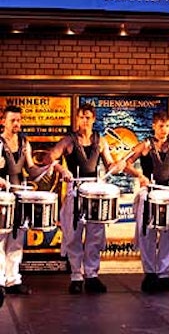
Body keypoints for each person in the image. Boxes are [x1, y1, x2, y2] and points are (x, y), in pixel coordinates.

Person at [46, 103, 125, 295]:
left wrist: (118, 164)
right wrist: (61, 169)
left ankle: (91, 275)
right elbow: (50, 156)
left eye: (88, 117)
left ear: (94, 119)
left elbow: (109, 165)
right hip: (76, 189)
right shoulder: (69, 140)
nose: (84, 121)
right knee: (73, 235)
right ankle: (76, 276)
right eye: (81, 117)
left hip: (94, 191)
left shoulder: (101, 141)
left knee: (95, 236)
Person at [124, 110, 169, 293]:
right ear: (154, 126)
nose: (164, 130)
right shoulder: (145, 145)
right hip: (149, 193)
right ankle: (150, 272)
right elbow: (126, 163)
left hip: (168, 193)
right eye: (161, 126)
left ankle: (163, 272)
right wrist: (139, 175)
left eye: (167, 126)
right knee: (147, 233)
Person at [0, 105, 43, 306]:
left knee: (16, 239)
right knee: (0, 239)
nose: (16, 124)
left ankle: (13, 280)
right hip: (2, 195)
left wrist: (46, 169)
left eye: (19, 120)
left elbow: (30, 169)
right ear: (3, 122)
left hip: (19, 194)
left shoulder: (25, 143)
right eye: (12, 120)